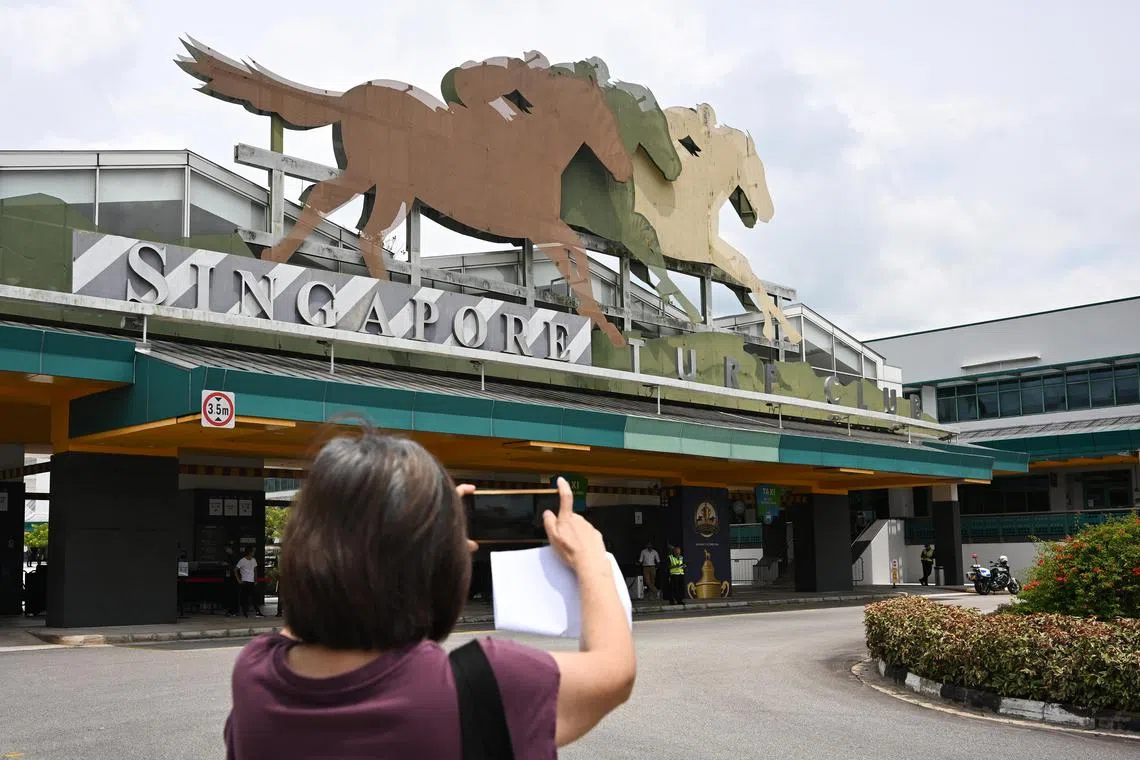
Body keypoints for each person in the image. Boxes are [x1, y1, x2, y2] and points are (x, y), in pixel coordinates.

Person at [223, 430, 635, 758]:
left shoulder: (255, 675)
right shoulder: (488, 684)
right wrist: (590, 558)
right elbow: (614, 671)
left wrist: (419, 540)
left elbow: (315, 606)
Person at [234, 547, 263, 618]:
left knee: (255, 597)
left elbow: (255, 570)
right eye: (253, 552)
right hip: (245, 581)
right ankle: (245, 612)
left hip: (252, 581)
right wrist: (238, 580)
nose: (254, 553)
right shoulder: (242, 560)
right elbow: (235, 570)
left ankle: (258, 611)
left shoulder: (253, 560)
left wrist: (256, 580)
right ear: (249, 552)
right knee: (245, 598)